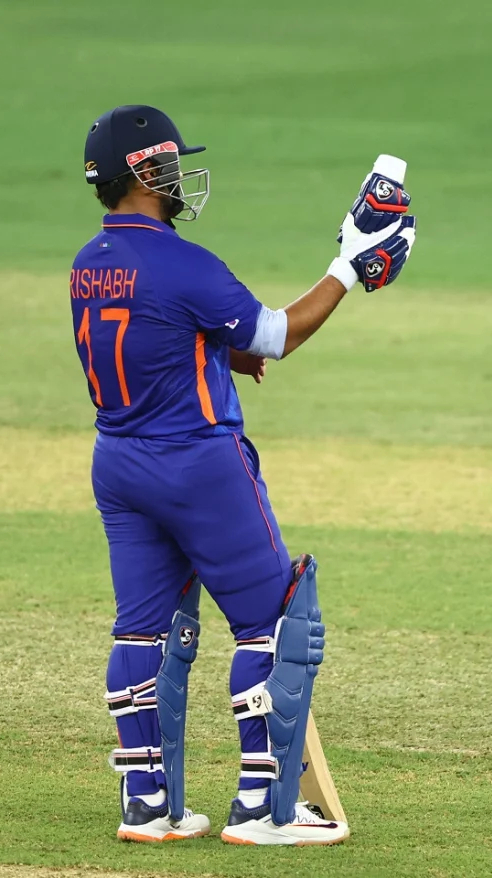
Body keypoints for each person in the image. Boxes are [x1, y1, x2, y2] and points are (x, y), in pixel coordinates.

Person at [71, 105, 417, 844]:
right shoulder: (186, 262)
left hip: (119, 464)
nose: (175, 174)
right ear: (139, 173)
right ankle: (265, 809)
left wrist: (220, 354)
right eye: (164, 162)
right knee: (273, 623)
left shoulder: (89, 262)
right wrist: (348, 268)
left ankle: (146, 804)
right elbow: (277, 335)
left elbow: (149, 331)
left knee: (143, 628)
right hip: (199, 463)